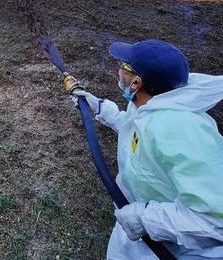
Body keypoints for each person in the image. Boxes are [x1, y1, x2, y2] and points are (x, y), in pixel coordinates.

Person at [74, 39, 223, 259]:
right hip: (135, 228)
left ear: (135, 83)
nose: (119, 70)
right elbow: (134, 130)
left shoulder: (181, 132)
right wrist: (101, 108)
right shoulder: (152, 103)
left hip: (176, 249)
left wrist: (145, 218)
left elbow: (214, 220)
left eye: (124, 67)